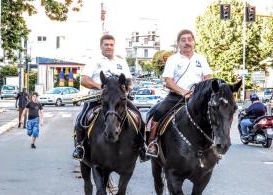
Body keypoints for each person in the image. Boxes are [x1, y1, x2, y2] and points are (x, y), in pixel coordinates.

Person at [72, 34, 147, 161]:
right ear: (101, 46)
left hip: (119, 100)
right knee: (82, 118)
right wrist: (101, 88)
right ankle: (80, 147)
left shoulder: (121, 62)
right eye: (106, 44)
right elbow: (84, 80)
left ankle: (142, 147)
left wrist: (128, 88)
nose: (109, 47)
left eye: (111, 45)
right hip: (98, 99)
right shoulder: (94, 61)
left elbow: (129, 80)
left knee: (138, 116)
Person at [146, 29, 212, 157]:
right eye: (183, 40)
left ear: (194, 42)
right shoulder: (173, 59)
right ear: (178, 43)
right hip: (176, 96)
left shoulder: (201, 59)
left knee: (215, 114)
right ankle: (152, 142)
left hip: (197, 98)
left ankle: (215, 144)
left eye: (189, 39)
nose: (187, 42)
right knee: (158, 112)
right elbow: (168, 81)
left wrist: (199, 92)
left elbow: (208, 78)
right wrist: (183, 92)